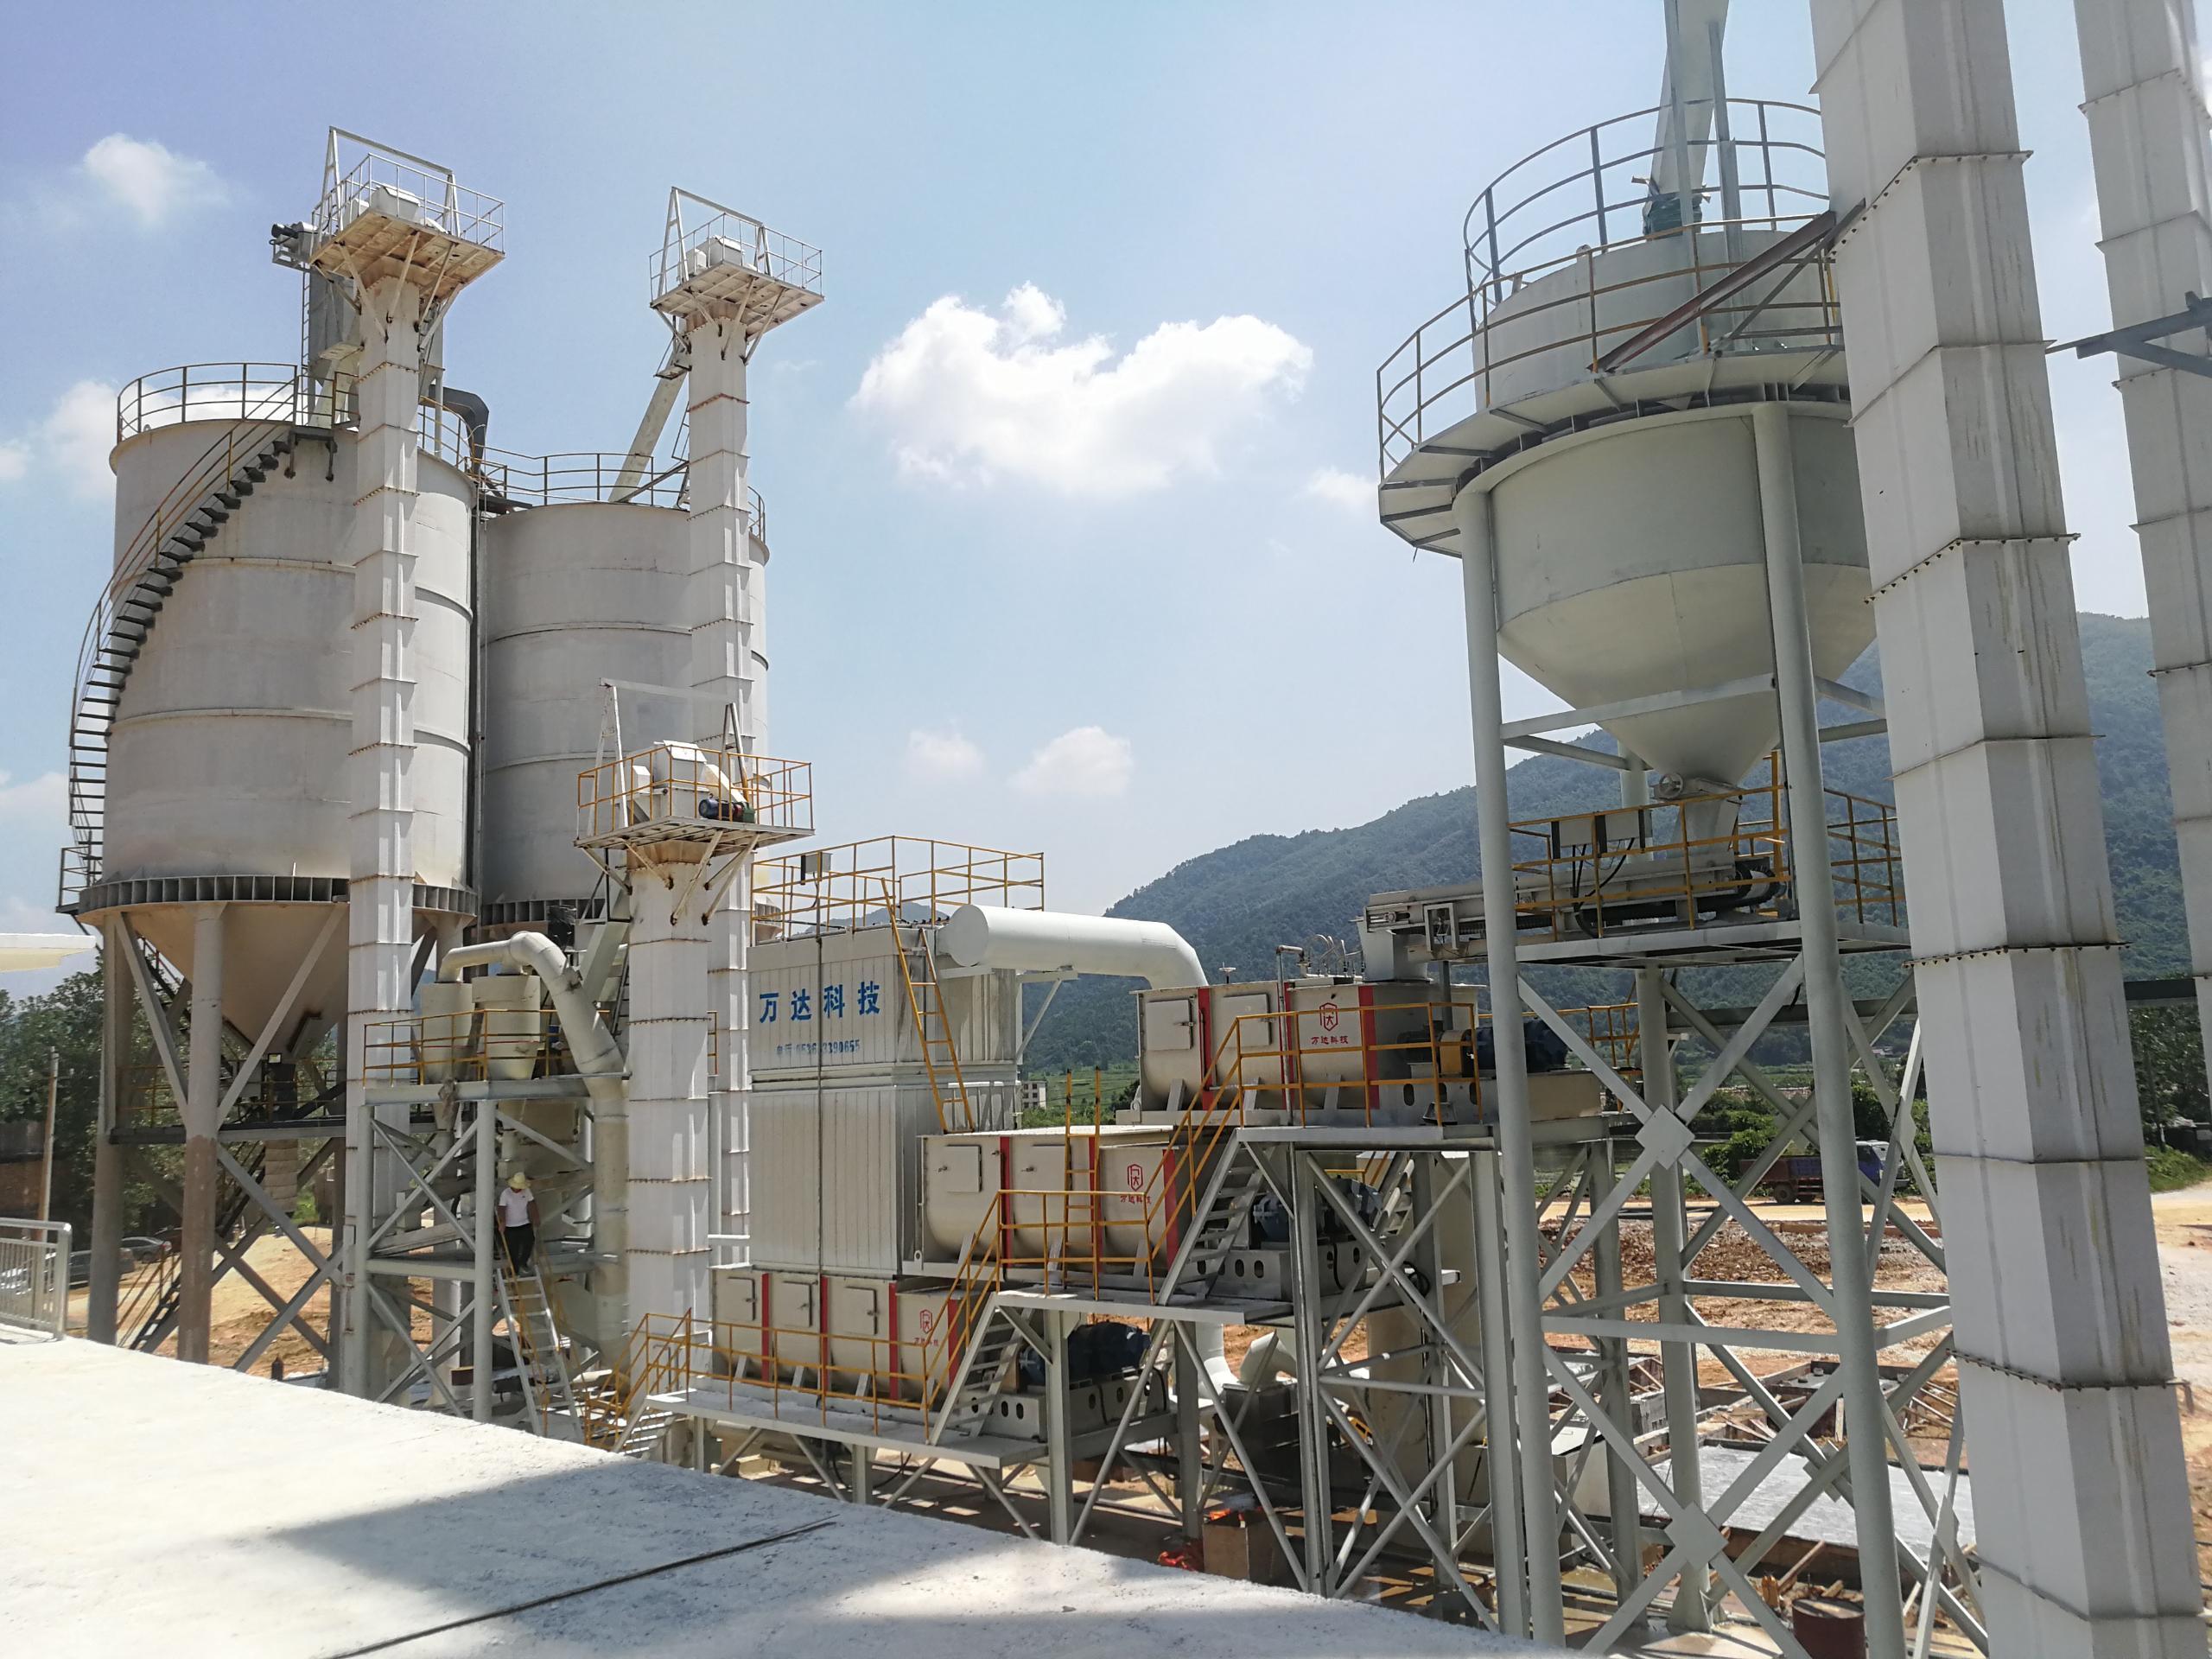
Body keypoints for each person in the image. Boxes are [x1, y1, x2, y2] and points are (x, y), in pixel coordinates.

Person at [498, 1171, 539, 1274]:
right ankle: (515, 1271)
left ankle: (523, 1262)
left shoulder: (526, 1191)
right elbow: (501, 1208)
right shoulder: (506, 1193)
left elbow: (532, 1203)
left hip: (524, 1223)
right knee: (513, 1250)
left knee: (530, 1241)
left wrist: (536, 1217)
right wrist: (502, 1222)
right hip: (510, 1226)